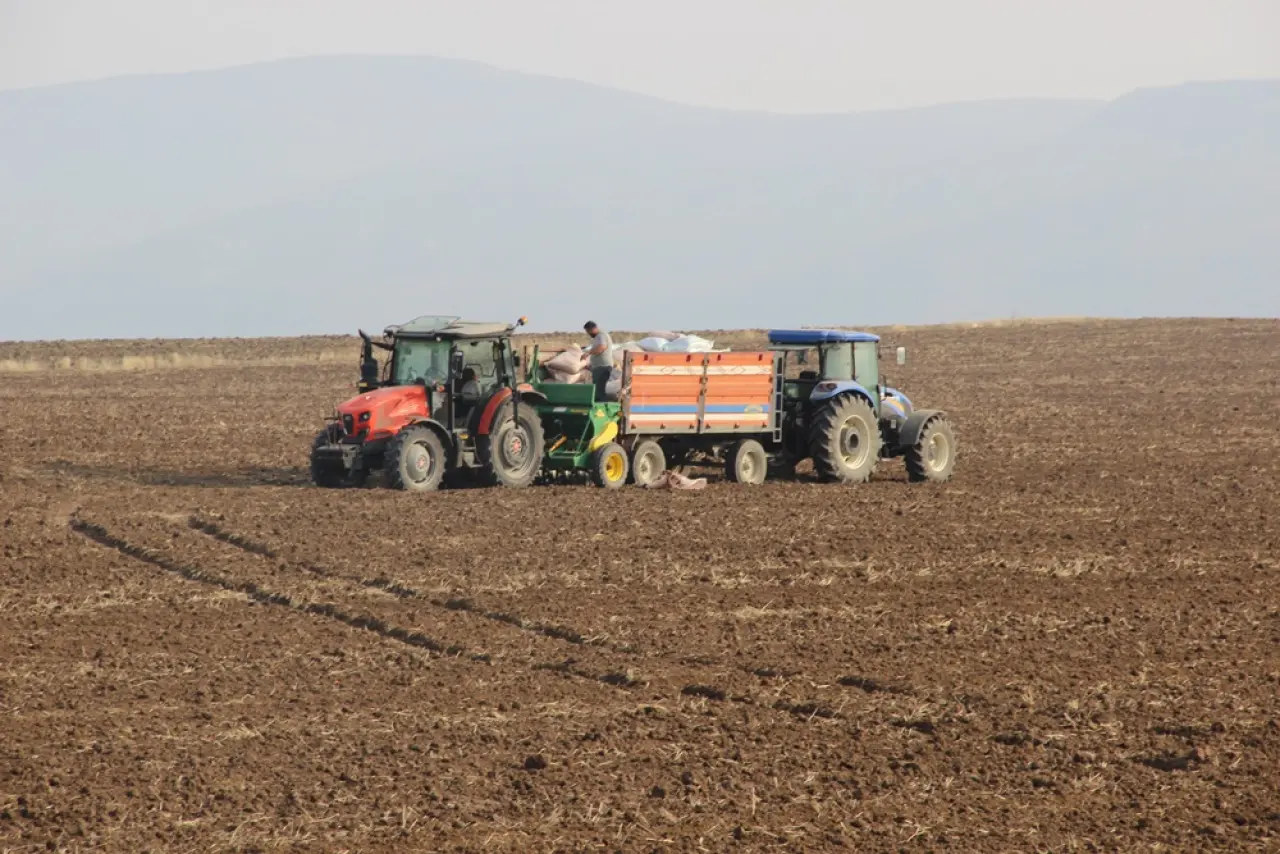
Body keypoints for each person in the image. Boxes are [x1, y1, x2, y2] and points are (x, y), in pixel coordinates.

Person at [583, 320, 614, 401]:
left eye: (588, 332)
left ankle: (602, 409)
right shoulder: (598, 337)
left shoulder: (601, 335)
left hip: (603, 366)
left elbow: (602, 347)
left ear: (592, 329)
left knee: (599, 389)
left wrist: (588, 353)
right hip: (599, 366)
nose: (589, 334)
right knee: (597, 389)